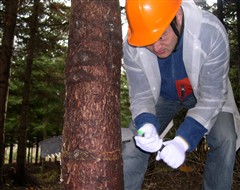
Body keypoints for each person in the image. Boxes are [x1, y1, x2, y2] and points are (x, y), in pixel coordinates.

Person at [122, 0, 240, 189]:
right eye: (148, 43)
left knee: (226, 138)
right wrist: (146, 124)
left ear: (177, 17)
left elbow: (212, 96)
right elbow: (141, 94)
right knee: (133, 146)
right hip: (162, 96)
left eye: (162, 36)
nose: (157, 48)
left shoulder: (210, 32)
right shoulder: (132, 45)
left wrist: (183, 141)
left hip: (205, 91)